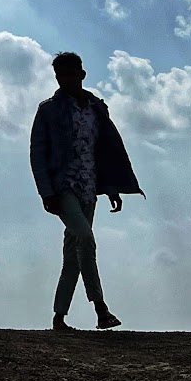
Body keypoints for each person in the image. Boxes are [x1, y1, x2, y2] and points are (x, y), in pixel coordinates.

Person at [29, 51, 144, 331]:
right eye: (61, 75)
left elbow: (104, 150)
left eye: (71, 73)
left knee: (74, 254)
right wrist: (47, 193)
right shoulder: (48, 110)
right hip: (62, 187)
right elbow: (37, 153)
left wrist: (111, 188)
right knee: (86, 239)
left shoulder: (96, 108)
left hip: (89, 187)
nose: (66, 79)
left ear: (82, 74)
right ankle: (101, 309)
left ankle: (59, 317)